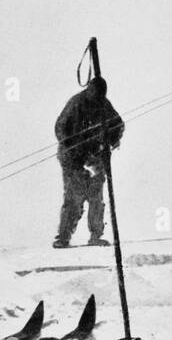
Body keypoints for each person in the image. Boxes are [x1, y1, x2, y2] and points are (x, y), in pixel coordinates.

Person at [53, 74, 124, 248]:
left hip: (94, 156)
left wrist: (111, 143)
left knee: (96, 197)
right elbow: (60, 127)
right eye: (95, 94)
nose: (97, 98)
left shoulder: (104, 104)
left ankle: (96, 235)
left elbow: (118, 124)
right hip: (72, 159)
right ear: (89, 90)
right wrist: (74, 147)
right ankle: (63, 237)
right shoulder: (76, 103)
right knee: (73, 197)